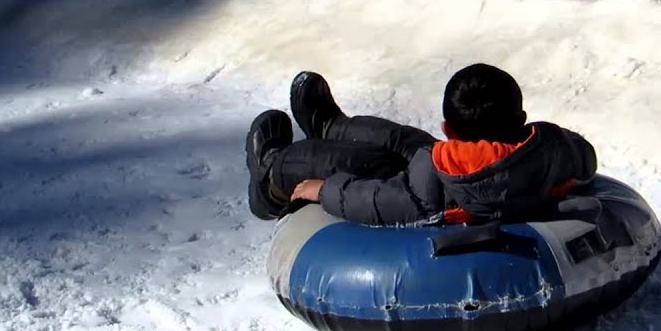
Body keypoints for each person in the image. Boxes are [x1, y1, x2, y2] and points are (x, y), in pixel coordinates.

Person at [245, 65, 598, 225]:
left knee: (353, 164)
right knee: (407, 142)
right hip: (463, 174)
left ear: (448, 129)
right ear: (522, 119)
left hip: (446, 188)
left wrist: (324, 190)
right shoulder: (555, 147)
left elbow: (378, 201)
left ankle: (272, 176)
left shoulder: (432, 185)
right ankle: (333, 127)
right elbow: (586, 157)